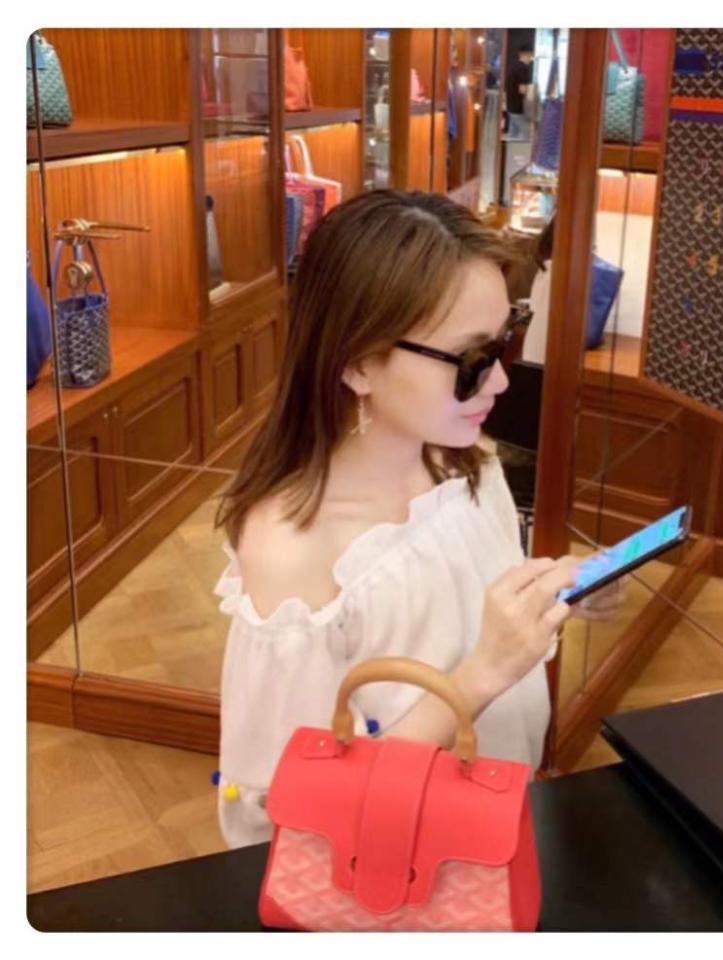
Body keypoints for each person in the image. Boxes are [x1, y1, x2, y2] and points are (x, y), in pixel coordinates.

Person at [212, 190, 625, 848]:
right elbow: (292, 809)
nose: (500, 383)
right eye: (472, 362)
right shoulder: (293, 551)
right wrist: (482, 674)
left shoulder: (468, 465)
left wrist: (554, 595)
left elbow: (471, 607)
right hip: (393, 868)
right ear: (357, 362)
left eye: (505, 343)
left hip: (497, 825)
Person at [505, 43, 535, 139]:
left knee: (513, 136)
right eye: (531, 55)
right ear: (527, 54)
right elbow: (522, 90)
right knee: (525, 135)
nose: (531, 58)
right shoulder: (523, 68)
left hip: (510, 106)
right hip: (519, 108)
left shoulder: (513, 66)